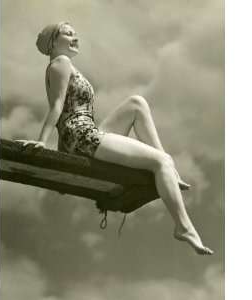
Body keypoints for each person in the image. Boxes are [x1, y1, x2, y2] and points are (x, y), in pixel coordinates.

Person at [17, 21, 213, 255]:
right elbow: (57, 106)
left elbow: (64, 108)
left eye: (75, 33)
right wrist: (42, 141)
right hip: (82, 137)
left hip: (83, 133)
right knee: (161, 162)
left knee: (137, 103)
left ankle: (170, 169)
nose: (75, 38)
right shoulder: (61, 63)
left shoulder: (63, 65)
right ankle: (183, 226)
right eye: (68, 34)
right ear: (53, 41)